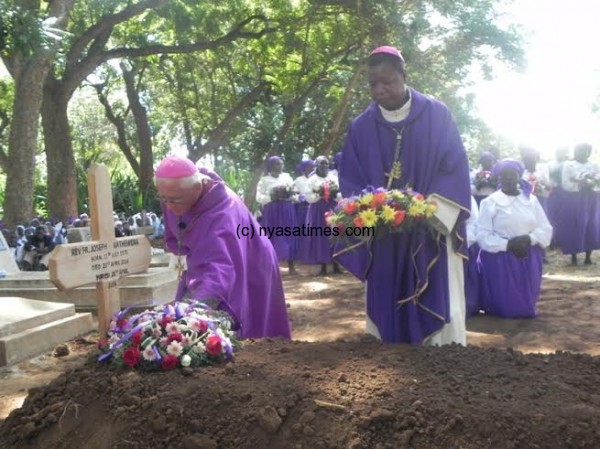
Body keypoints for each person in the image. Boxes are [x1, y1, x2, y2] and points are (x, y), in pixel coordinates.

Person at [337, 45, 471, 345]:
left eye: (387, 81)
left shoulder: (437, 115)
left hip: (431, 228)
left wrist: (426, 209)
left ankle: (443, 354)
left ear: (404, 75)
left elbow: (453, 167)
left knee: (438, 295)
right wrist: (368, 209)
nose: (380, 89)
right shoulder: (360, 127)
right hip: (385, 234)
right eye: (373, 84)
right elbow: (351, 177)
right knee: (386, 294)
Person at [154, 155, 291, 339]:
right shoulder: (176, 194)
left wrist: (197, 307)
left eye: (175, 200)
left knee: (237, 319)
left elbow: (221, 267)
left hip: (251, 260)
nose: (169, 206)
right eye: (164, 199)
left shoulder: (224, 212)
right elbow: (177, 236)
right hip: (211, 260)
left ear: (197, 187)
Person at [477, 159, 552, 317]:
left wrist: (528, 239)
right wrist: (508, 244)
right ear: (499, 178)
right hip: (501, 258)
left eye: (513, 175)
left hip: (528, 253)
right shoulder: (489, 203)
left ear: (519, 177)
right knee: (507, 308)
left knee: (526, 304)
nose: (508, 178)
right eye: (504, 175)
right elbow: (483, 236)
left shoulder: (531, 200)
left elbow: (545, 228)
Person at [555, 143, 600, 265]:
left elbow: (598, 180)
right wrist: (580, 184)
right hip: (575, 198)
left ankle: (588, 257)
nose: (581, 153)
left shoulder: (594, 165)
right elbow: (565, 183)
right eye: (578, 150)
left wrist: (592, 183)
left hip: (592, 198)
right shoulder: (569, 165)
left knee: (591, 225)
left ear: (589, 152)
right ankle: (574, 257)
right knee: (574, 225)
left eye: (584, 151)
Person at [255, 156, 298, 275]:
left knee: (289, 235)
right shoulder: (264, 180)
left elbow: (296, 193)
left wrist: (290, 195)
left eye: (281, 164)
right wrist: (271, 198)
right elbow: (259, 197)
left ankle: (292, 267)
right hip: (272, 210)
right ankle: (273, 268)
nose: (280, 167)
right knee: (273, 236)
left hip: (287, 209)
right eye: (277, 164)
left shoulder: (287, 177)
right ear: (270, 166)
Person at [305, 155, 341, 275]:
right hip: (318, 210)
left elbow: (340, 193)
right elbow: (308, 197)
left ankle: (336, 265)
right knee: (321, 236)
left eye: (326, 163)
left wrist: (334, 194)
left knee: (335, 234)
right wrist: (320, 195)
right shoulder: (311, 179)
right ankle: (323, 266)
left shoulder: (333, 177)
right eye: (321, 163)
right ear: (316, 165)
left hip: (332, 208)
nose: (324, 166)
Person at [292, 159, 315, 263]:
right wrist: (299, 197)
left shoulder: (315, 178)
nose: (312, 170)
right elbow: (293, 193)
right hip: (302, 208)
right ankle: (302, 256)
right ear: (304, 169)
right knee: (303, 231)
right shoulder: (298, 180)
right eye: (310, 168)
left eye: (313, 168)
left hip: (315, 206)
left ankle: (314, 255)